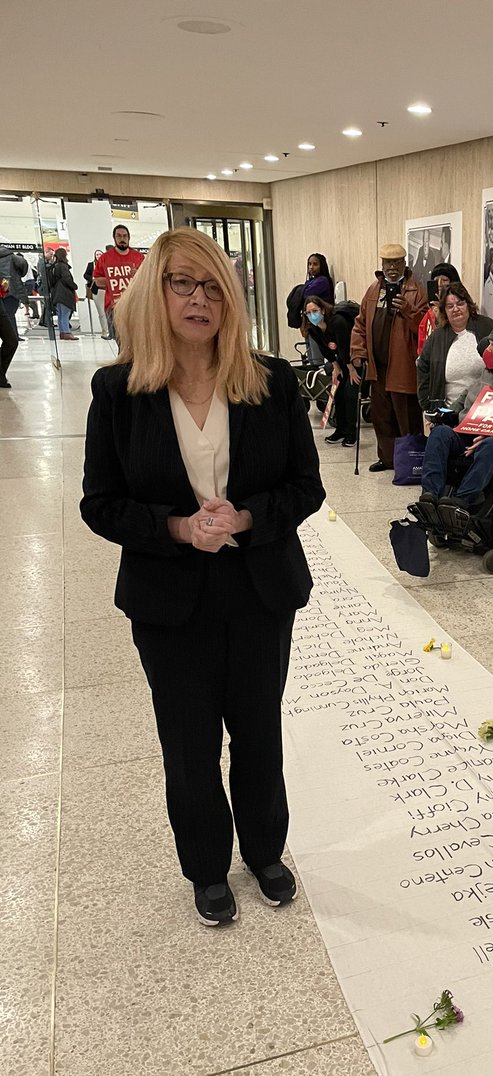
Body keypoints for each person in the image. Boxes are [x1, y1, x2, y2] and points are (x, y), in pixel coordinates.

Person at [80, 227, 325, 925]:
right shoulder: (119, 391)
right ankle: (207, 869)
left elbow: (306, 488)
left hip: (259, 589)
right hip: (168, 598)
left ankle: (266, 852)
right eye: (182, 283)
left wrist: (245, 518)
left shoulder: (271, 382)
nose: (199, 298)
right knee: (188, 741)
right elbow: (100, 503)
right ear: (154, 294)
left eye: (214, 285)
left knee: (258, 730)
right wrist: (177, 528)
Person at [419, 322, 493, 510]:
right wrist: (443, 415)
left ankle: (462, 500)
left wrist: (489, 433)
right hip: (465, 432)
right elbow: (464, 398)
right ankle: (430, 495)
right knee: (440, 433)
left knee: (490, 445)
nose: (489, 350)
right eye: (489, 344)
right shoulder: (486, 373)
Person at [349, 243, 427, 473]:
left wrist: (408, 310)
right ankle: (387, 459)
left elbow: (425, 327)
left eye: (396, 262)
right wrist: (358, 352)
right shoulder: (373, 290)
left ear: (404, 264)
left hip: (403, 368)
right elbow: (360, 324)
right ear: (382, 265)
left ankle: (410, 462)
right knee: (381, 416)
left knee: (407, 416)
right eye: (387, 263)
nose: (392, 268)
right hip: (377, 367)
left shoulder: (415, 291)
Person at [416, 282, 493, 412]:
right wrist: (427, 406)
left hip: (484, 412)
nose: (456, 309)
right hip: (447, 412)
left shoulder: (488, 328)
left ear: (468, 305)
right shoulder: (437, 337)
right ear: (444, 311)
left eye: (460, 304)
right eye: (450, 306)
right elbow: (423, 369)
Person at [302, 295, 358, 446]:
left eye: (315, 311)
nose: (312, 315)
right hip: (340, 361)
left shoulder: (337, 322)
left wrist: (350, 368)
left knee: (350, 394)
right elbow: (324, 350)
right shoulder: (314, 329)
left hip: (354, 359)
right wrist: (336, 366)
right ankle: (340, 430)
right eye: (308, 313)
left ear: (322, 310)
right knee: (337, 394)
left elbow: (345, 347)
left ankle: (351, 434)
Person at [92, 224, 144, 344]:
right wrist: (111, 279)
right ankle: (123, 362)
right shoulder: (105, 258)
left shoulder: (139, 257)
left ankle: (136, 362)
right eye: (119, 236)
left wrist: (138, 275)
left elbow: (147, 279)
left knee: (137, 341)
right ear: (114, 238)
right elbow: (97, 280)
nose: (122, 239)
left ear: (129, 238)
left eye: (125, 236)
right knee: (120, 341)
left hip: (135, 306)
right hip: (113, 306)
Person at [417, 262, 460, 354]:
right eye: (436, 280)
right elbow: (422, 336)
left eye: (444, 280)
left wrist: (441, 316)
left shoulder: (460, 307)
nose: (440, 284)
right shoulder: (431, 309)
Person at [50, 248, 79, 340]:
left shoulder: (54, 267)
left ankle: (62, 332)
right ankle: (67, 332)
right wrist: (75, 286)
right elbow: (67, 279)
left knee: (61, 314)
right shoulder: (63, 266)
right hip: (64, 294)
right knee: (65, 314)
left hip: (56, 294)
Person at [0, 244, 28, 332]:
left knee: (5, 316)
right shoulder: (13, 257)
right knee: (10, 315)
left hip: (2, 290)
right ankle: (13, 336)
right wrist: (17, 274)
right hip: (12, 290)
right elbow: (23, 265)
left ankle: (10, 336)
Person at [84, 249, 111, 337]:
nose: (99, 256)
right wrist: (92, 278)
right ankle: (105, 330)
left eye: (100, 254)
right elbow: (86, 275)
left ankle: (111, 330)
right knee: (101, 312)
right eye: (97, 254)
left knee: (109, 311)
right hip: (97, 289)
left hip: (108, 289)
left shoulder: (108, 264)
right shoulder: (91, 265)